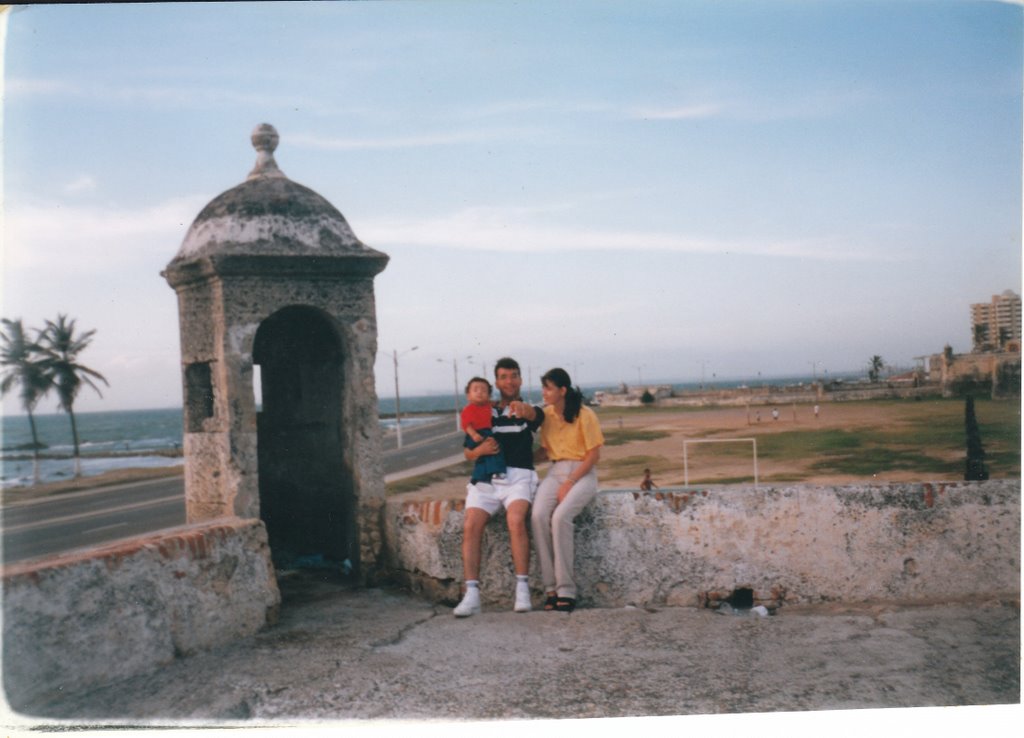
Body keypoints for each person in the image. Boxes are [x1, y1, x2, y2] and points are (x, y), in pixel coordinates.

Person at [453, 357, 544, 617]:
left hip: (519, 477)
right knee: (471, 525)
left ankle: (522, 590)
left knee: (516, 520)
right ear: (496, 382)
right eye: (503, 377)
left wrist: (524, 409)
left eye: (514, 376)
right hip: (487, 479)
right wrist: (479, 449)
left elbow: (536, 415)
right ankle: (472, 595)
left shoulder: (527, 410)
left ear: (520, 380)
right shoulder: (484, 411)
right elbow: (467, 453)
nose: (509, 381)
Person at [531, 367, 604, 613]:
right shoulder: (547, 416)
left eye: (548, 388)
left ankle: (566, 590)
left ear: (562, 390)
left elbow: (593, 454)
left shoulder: (585, 414)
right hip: (555, 471)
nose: (544, 392)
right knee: (538, 515)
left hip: (582, 472)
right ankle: (550, 588)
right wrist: (521, 460)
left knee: (561, 517)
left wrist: (570, 482)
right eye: (543, 387)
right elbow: (545, 451)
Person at [460, 377, 506, 484]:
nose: (479, 392)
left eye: (484, 391)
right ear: (468, 395)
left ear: (489, 395)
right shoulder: (468, 409)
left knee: (483, 458)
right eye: (475, 390)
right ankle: (497, 472)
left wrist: (499, 404)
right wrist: (474, 434)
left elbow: (495, 403)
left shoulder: (487, 405)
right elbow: (466, 425)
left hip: (486, 431)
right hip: (476, 434)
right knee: (495, 449)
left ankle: (479, 478)